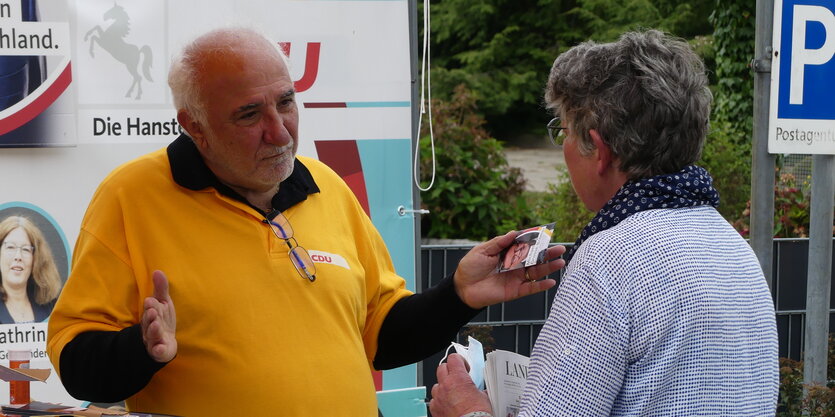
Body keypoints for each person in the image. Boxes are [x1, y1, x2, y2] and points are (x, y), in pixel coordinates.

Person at [45, 27, 566, 416]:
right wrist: (140, 350)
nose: (280, 132)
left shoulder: (326, 185)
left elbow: (380, 337)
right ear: (194, 125)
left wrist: (457, 295)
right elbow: (74, 359)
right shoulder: (132, 196)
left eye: (287, 102)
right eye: (249, 115)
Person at [429, 30, 779, 417]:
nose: (561, 145)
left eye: (562, 129)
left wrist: (465, 409)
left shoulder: (612, 258)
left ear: (598, 149)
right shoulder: (731, 244)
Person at [0, 215, 62, 323]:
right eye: (10, 247)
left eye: (25, 250)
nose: (18, 256)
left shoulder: (52, 307)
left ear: (36, 258)